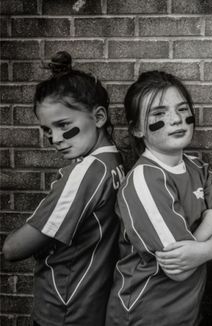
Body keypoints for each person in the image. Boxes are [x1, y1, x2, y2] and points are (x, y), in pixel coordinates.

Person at [105, 71, 212, 325]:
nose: (176, 120)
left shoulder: (199, 168)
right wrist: (211, 221)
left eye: (182, 109)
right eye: (158, 114)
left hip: (186, 314)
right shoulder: (145, 180)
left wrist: (204, 249)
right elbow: (179, 268)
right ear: (137, 128)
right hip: (145, 315)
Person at [2, 51, 123, 326]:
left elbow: (12, 249)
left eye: (64, 125)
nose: (55, 139)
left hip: (63, 310)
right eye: (47, 130)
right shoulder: (114, 161)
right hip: (93, 304)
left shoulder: (85, 173)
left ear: (99, 116)